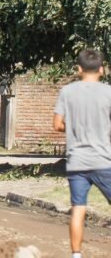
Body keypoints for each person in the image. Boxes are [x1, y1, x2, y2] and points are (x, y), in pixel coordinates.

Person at [53, 49, 111, 258]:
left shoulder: (67, 92)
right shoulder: (108, 93)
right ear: (102, 69)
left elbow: (57, 124)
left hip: (77, 162)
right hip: (103, 160)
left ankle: (76, 254)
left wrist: (74, 128)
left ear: (78, 69)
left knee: (78, 207)